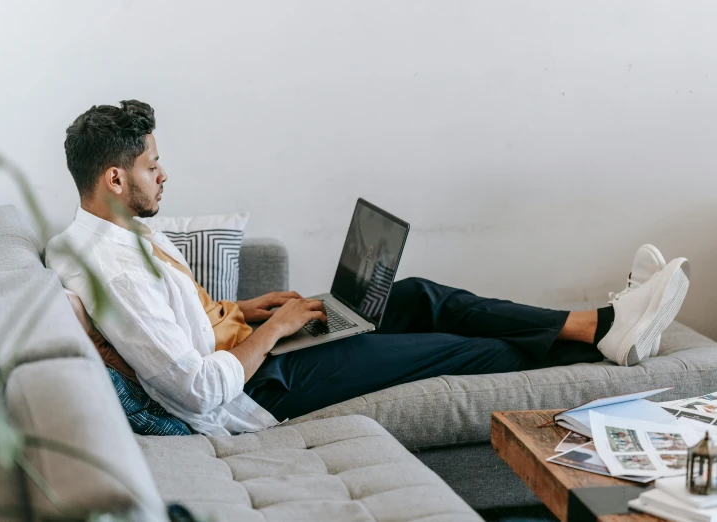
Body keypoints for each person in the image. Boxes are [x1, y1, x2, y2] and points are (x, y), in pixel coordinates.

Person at [46, 100, 691, 436]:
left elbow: (182, 324)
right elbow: (194, 390)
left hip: (253, 351)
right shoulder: (113, 273)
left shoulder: (113, 232)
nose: (164, 175)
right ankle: (602, 363)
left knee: (416, 294)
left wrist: (248, 310)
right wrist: (274, 335)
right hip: (259, 392)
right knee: (451, 350)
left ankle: (601, 323)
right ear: (113, 176)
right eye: (151, 166)